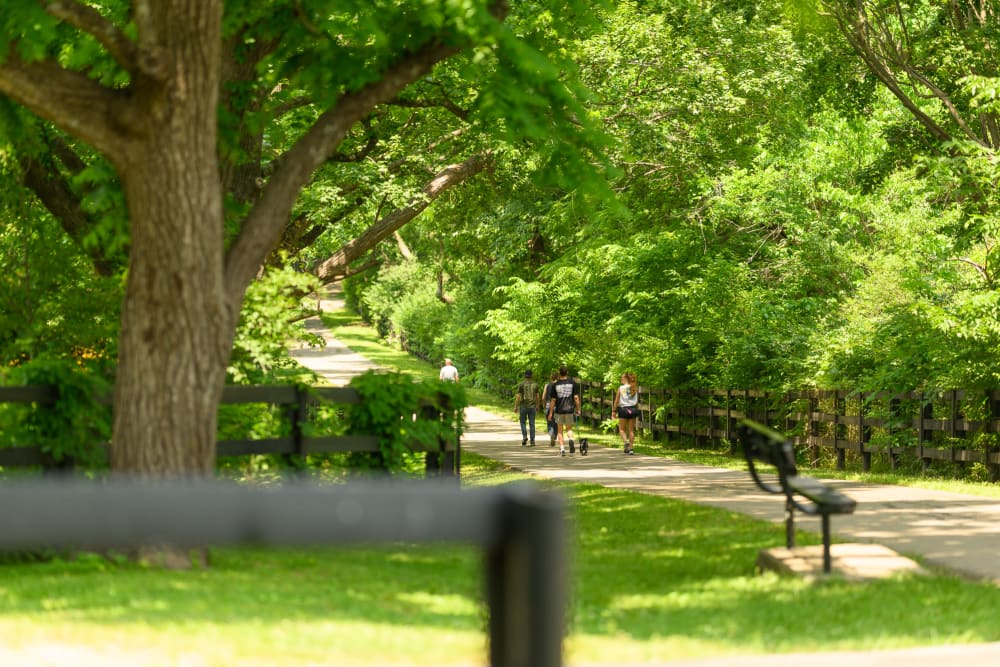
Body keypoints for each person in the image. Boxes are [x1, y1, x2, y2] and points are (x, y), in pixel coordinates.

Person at [547, 365, 580, 456]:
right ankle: (571, 440)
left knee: (560, 430)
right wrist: (578, 409)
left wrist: (550, 413)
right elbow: (576, 398)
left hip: (559, 410)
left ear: (559, 373)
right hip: (569, 409)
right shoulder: (572, 383)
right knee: (569, 429)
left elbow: (553, 400)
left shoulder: (555, 385)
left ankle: (562, 449)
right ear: (567, 372)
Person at [612, 372, 639, 454]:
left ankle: (625, 442)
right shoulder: (634, 388)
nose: (621, 379)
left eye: (622, 378)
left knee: (621, 429)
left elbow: (616, 401)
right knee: (631, 430)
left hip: (624, 409)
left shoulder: (621, 388)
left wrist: (614, 411)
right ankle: (631, 448)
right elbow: (637, 401)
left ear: (626, 379)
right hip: (633, 409)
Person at [513, 370, 540, 446]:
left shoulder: (521, 384)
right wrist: (538, 406)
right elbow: (538, 396)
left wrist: (515, 406)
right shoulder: (535, 384)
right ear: (532, 375)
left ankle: (525, 436)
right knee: (532, 423)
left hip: (523, 407)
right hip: (532, 407)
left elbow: (518, 396)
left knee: (522, 422)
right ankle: (532, 441)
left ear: (525, 375)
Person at [541, 371, 559, 447]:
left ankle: (551, 434)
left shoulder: (547, 385)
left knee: (549, 423)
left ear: (551, 377)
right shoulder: (559, 385)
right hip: (558, 406)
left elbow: (543, 397)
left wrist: (544, 405)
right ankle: (554, 437)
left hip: (549, 404)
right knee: (557, 423)